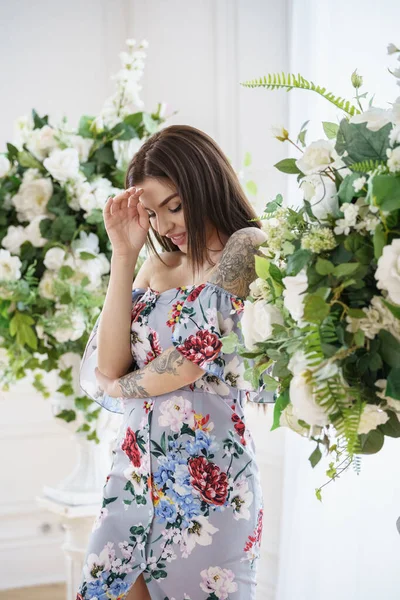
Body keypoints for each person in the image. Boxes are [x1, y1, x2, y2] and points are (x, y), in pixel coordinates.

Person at [76, 124, 271, 600]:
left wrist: (118, 388)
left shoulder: (246, 248)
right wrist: (124, 254)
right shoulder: (155, 266)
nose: (164, 227)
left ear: (205, 183)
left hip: (210, 491)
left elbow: (191, 358)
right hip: (132, 479)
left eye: (175, 206)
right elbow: (108, 360)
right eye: (152, 214)